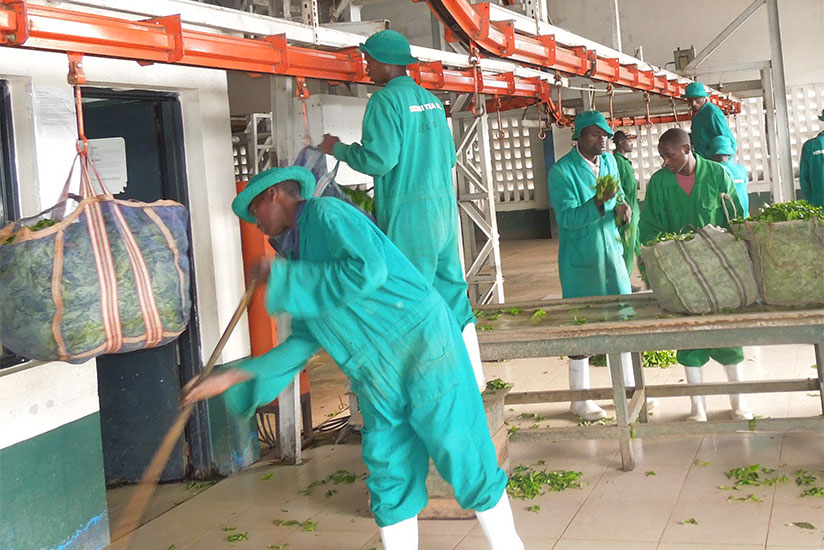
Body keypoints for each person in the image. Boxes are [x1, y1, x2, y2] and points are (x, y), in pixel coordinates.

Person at [182, 166, 524, 550]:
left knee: (461, 450)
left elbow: (369, 269)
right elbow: (303, 341)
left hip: (420, 345)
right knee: (388, 470)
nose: (256, 223)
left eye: (255, 209)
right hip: (375, 376)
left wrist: (285, 275)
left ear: (275, 193)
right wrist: (233, 376)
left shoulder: (329, 215)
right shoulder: (297, 256)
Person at [317, 30, 486, 392]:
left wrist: (339, 148)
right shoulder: (430, 101)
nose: (367, 67)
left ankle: (426, 389)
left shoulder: (384, 102)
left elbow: (379, 160)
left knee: (407, 298)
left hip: (409, 216)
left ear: (388, 63)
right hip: (442, 211)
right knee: (452, 291)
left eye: (370, 60)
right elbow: (449, 157)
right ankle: (473, 378)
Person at [638, 128, 753, 422]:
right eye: (662, 157)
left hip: (718, 268)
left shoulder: (717, 175)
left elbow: (735, 218)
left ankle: (739, 403)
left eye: (670, 155)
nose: (666, 162)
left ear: (687, 148)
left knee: (727, 333)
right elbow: (649, 226)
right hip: (680, 272)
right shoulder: (660, 183)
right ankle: (697, 408)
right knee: (688, 336)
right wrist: (651, 269)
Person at [547, 111, 645, 421]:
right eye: (593, 134)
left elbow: (614, 196)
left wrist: (621, 209)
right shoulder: (562, 173)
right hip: (582, 260)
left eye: (604, 134)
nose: (601, 139)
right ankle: (580, 397)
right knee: (581, 327)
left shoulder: (610, 162)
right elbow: (567, 219)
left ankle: (630, 389)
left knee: (621, 321)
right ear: (577, 138)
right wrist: (600, 204)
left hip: (611, 256)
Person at [612, 130, 641, 284]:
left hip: (634, 211)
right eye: (629, 141)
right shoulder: (616, 162)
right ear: (621, 142)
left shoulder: (624, 162)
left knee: (640, 247)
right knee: (627, 249)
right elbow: (616, 188)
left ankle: (649, 278)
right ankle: (624, 282)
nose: (631, 144)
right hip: (626, 214)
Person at [684, 81, 737, 161]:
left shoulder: (713, 113)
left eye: (697, 99)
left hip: (716, 162)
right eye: (690, 100)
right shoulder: (697, 113)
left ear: (704, 97)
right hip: (704, 160)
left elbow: (728, 140)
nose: (693, 103)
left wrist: (725, 164)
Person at [709, 135, 750, 217]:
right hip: (744, 215)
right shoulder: (741, 169)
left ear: (712, 154)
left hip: (727, 218)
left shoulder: (713, 171)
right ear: (729, 153)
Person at [799, 108, 824, 208]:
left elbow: (804, 180)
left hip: (819, 207)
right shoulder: (810, 146)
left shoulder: (810, 146)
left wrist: (813, 201)